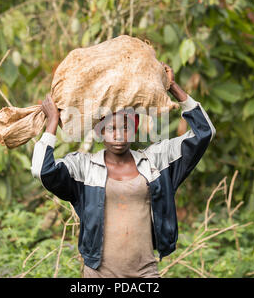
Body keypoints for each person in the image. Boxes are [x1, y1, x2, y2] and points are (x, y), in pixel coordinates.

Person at [31, 63, 216, 278]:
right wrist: (52, 123)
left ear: (135, 129)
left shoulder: (155, 161)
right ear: (100, 132)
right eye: (110, 128)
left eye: (125, 127)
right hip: (97, 274)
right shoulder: (83, 167)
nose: (118, 135)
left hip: (145, 272)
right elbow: (42, 171)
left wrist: (173, 87)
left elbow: (205, 132)